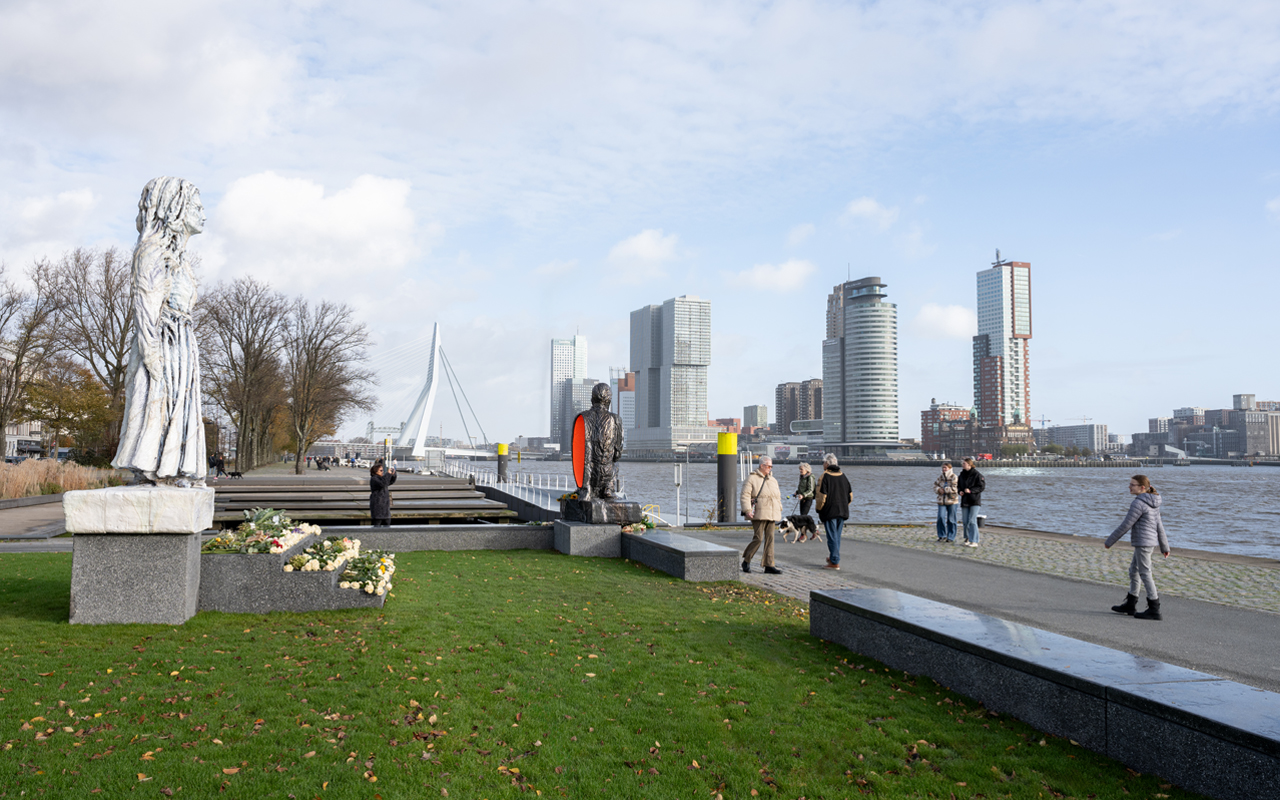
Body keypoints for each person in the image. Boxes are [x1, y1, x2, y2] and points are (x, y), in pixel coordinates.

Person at [111, 177, 207, 485]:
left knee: (177, 404)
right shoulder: (153, 250)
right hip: (164, 343)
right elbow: (146, 308)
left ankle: (173, 466)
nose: (203, 213)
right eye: (196, 206)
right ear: (175, 209)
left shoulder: (181, 258)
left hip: (180, 343)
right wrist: (154, 359)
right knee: (157, 403)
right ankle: (153, 466)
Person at [1105, 475, 1170, 620]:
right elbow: (1159, 526)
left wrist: (1109, 541)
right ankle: (1131, 603)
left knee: (1145, 573)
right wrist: (1164, 547)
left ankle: (1154, 608)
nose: (1129, 486)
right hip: (1148, 543)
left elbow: (1126, 525)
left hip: (1143, 543)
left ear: (1142, 488)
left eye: (1132, 484)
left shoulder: (1138, 503)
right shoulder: (1153, 502)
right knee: (1133, 571)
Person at [740, 456, 783, 575]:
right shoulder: (751, 478)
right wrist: (747, 509)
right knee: (758, 538)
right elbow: (745, 495)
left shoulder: (773, 480)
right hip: (758, 513)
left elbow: (777, 496)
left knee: (770, 539)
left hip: (772, 513)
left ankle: (769, 565)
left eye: (771, 466)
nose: (770, 468)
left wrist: (779, 508)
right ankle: (746, 560)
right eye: (768, 466)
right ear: (762, 466)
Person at [816, 453, 852, 570]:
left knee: (831, 537)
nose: (823, 464)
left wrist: (819, 509)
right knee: (836, 536)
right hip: (842, 510)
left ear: (827, 464)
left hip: (830, 511)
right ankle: (833, 557)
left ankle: (835, 561)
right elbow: (850, 496)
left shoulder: (824, 476)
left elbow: (821, 496)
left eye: (823, 462)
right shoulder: (843, 476)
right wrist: (844, 505)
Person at [957, 457, 985, 547]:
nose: (962, 465)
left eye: (964, 463)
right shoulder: (961, 475)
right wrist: (959, 491)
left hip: (974, 500)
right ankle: (967, 538)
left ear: (969, 464)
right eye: (962, 463)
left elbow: (981, 487)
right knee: (965, 521)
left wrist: (971, 491)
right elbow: (958, 486)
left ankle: (974, 541)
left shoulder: (977, 475)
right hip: (965, 500)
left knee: (972, 520)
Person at [933, 462, 959, 542]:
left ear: (949, 468)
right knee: (940, 517)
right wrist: (938, 490)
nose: (944, 469)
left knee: (951, 519)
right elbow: (935, 486)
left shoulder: (954, 477)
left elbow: (955, 488)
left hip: (952, 501)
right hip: (941, 501)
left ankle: (951, 536)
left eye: (945, 468)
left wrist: (945, 490)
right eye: (943, 468)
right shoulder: (940, 477)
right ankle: (942, 535)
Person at [369, 461, 397, 527]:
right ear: (376, 471)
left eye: (382, 470)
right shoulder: (374, 479)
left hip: (385, 507)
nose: (382, 472)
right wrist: (388, 474)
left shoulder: (381, 478)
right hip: (377, 506)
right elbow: (383, 483)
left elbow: (389, 482)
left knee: (387, 523)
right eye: (381, 470)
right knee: (377, 524)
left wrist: (393, 475)